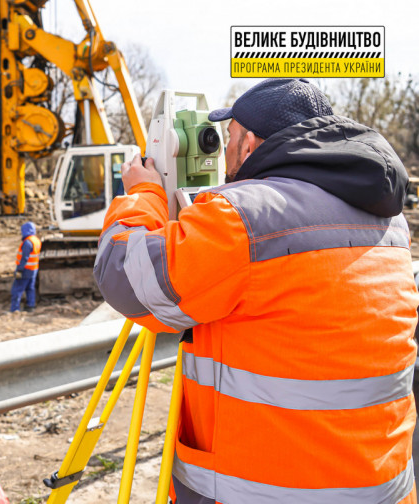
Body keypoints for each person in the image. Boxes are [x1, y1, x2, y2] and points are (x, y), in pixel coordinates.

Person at [93, 78, 419, 503]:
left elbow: (124, 274)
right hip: (382, 486)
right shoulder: (390, 219)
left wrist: (144, 193)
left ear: (248, 144)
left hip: (267, 490)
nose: (223, 152)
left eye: (227, 139)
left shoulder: (241, 220)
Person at [10, 221, 41, 312]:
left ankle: (15, 309)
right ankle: (30, 306)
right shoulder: (36, 240)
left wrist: (19, 270)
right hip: (33, 269)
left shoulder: (27, 242)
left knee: (17, 289)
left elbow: (24, 258)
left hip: (26, 269)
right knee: (30, 288)